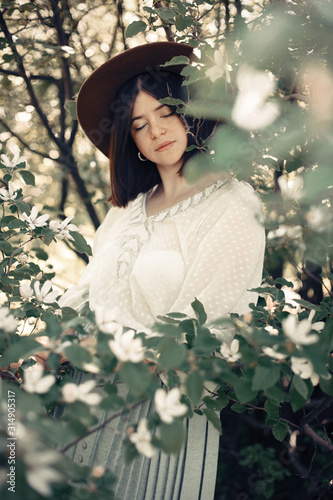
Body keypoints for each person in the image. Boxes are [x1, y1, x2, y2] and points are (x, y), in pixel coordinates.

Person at [54, 42, 265, 500]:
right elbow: (84, 297)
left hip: (161, 406)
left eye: (165, 113)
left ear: (190, 113)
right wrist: (37, 345)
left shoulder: (231, 204)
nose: (156, 132)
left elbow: (214, 326)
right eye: (138, 125)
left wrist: (110, 351)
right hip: (85, 401)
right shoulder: (126, 212)